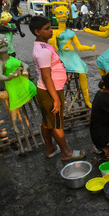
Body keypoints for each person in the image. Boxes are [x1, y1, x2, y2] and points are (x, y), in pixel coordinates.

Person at [29, 16, 85, 160]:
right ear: (37, 32)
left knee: (47, 122)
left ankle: (50, 149)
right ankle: (66, 152)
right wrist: (56, 99)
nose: (51, 31)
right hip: (50, 91)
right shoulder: (43, 51)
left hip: (49, 89)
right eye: (47, 29)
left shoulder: (43, 45)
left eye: (50, 27)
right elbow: (47, 76)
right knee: (56, 123)